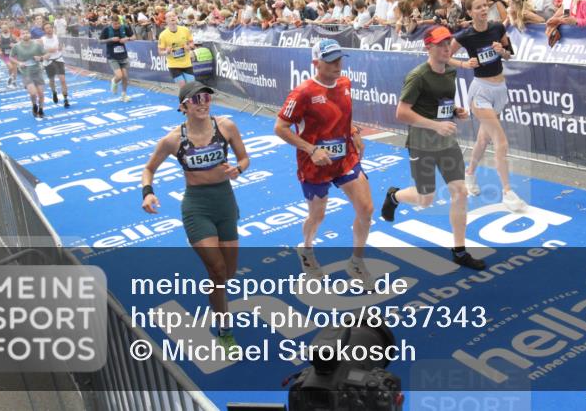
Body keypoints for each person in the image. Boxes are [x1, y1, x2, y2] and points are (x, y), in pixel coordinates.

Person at [141, 83, 250, 349]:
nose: (203, 102)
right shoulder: (173, 139)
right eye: (196, 99)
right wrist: (147, 193)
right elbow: (148, 168)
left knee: (228, 273)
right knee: (217, 268)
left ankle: (215, 295)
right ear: (183, 106)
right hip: (196, 207)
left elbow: (245, 158)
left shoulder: (226, 126)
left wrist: (238, 170)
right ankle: (224, 329)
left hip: (225, 202)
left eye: (207, 97)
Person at [381, 26, 486, 270]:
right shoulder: (418, 76)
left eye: (448, 42)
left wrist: (455, 112)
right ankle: (394, 196)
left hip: (447, 143)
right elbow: (401, 112)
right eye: (440, 44)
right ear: (428, 47)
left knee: (460, 192)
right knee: (425, 198)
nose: (446, 47)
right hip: (421, 144)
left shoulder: (450, 71)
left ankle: (459, 251)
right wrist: (435, 126)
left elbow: (441, 105)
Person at [274, 40, 374, 284]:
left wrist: (354, 132)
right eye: (330, 60)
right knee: (317, 216)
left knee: (366, 209)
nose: (337, 65)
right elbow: (280, 128)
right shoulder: (303, 93)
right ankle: (306, 250)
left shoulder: (345, 83)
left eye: (339, 59)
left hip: (345, 159)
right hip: (314, 165)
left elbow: (343, 116)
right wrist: (311, 149)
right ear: (316, 63)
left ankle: (357, 261)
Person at [449, 0, 526, 212]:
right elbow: (445, 56)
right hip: (480, 92)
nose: (484, 10)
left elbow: (510, 54)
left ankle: (469, 174)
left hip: (500, 90)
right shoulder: (465, 36)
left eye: (485, 6)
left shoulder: (497, 28)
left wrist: (504, 52)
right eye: (478, 7)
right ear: (470, 12)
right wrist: (464, 65)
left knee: (483, 140)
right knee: (501, 142)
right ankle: (508, 192)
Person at [9, 30, 47, 118]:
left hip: (37, 71)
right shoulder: (16, 46)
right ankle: (34, 105)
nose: (25, 35)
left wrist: (41, 58)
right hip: (26, 72)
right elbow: (11, 57)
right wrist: (19, 63)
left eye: (27, 33)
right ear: (20, 36)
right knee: (33, 93)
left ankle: (41, 110)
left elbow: (47, 54)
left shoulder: (37, 44)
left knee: (41, 93)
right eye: (23, 33)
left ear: (30, 35)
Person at [100, 14, 135, 101]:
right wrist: (111, 39)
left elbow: (134, 36)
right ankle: (114, 82)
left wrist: (127, 39)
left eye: (118, 23)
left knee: (125, 76)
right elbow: (100, 41)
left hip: (123, 55)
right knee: (119, 76)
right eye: (115, 24)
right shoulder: (106, 29)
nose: (117, 25)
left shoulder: (124, 28)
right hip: (112, 56)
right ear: (111, 23)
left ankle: (124, 95)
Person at [158, 13, 195, 84]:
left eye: (174, 16)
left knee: (191, 85)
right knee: (183, 86)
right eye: (169, 16)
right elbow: (160, 52)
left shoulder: (185, 30)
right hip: (173, 65)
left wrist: (189, 47)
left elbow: (192, 43)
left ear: (176, 18)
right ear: (166, 20)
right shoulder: (163, 35)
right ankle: (184, 95)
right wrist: (166, 52)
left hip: (186, 63)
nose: (172, 17)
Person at [40, 22, 69, 108]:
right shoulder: (42, 39)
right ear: (44, 30)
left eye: (50, 27)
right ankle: (54, 92)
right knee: (52, 80)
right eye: (47, 28)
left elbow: (61, 47)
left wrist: (61, 47)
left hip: (58, 59)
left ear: (52, 28)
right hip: (49, 61)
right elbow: (43, 50)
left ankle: (65, 99)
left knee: (63, 80)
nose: (49, 29)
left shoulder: (57, 37)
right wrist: (50, 50)